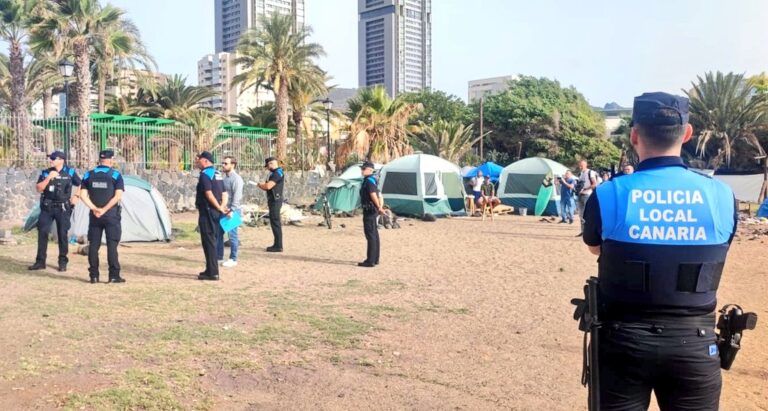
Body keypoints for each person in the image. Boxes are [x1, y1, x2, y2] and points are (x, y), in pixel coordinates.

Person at [581, 92, 738, 410]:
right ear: (688, 133)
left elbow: (595, 248)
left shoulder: (609, 193)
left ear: (634, 135)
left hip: (622, 343)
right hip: (695, 345)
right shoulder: (721, 196)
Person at [28, 151, 81, 272]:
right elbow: (38, 188)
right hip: (47, 207)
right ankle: (40, 262)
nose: (50, 160)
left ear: (61, 160)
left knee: (62, 235)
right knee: (43, 233)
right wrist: (48, 178)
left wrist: (77, 196)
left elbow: (82, 184)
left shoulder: (70, 172)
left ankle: (63, 262)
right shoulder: (46, 172)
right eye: (50, 158)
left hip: (62, 208)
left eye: (53, 158)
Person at [79, 150, 125, 283]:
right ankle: (113, 276)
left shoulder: (88, 175)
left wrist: (94, 208)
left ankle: (94, 276)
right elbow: (118, 196)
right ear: (111, 160)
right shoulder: (115, 175)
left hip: (95, 216)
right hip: (111, 215)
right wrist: (104, 209)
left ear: (99, 160)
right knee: (112, 245)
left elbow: (82, 195)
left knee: (94, 245)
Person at [195, 151, 228, 281]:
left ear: (205, 161)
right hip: (216, 212)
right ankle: (209, 269)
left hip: (208, 212)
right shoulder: (218, 174)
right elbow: (225, 193)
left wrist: (218, 207)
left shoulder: (205, 175)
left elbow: (208, 194)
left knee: (208, 241)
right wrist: (222, 207)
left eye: (199, 160)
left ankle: (213, 272)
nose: (197, 162)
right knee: (212, 240)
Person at [217, 156, 243, 268]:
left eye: (226, 163)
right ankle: (218, 257)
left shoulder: (236, 179)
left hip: (233, 210)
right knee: (219, 233)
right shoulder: (225, 177)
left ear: (232, 165)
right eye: (223, 163)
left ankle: (233, 258)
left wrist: (232, 210)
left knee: (232, 235)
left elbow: (237, 196)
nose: (223, 165)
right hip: (224, 209)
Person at [358, 161, 384, 267]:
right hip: (373, 210)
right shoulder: (373, 180)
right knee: (374, 234)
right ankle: (375, 258)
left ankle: (370, 261)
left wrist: (379, 207)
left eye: (364, 169)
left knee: (370, 235)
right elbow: (380, 195)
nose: (362, 171)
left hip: (369, 210)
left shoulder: (368, 181)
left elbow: (373, 194)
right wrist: (380, 207)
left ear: (370, 170)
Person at [258, 157, 284, 252]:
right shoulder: (274, 173)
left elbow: (269, 186)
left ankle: (278, 245)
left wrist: (260, 185)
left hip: (275, 200)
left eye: (268, 165)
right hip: (273, 199)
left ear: (271, 164)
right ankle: (277, 244)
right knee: (274, 222)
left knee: (275, 222)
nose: (267, 168)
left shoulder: (277, 173)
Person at [575, 160, 598, 236]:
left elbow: (594, 184)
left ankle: (590, 232)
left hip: (587, 195)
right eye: (580, 165)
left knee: (587, 215)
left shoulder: (590, 172)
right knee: (581, 215)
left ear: (586, 165)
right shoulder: (580, 174)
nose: (580, 167)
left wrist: (585, 189)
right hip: (580, 195)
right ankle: (583, 231)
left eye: (582, 165)